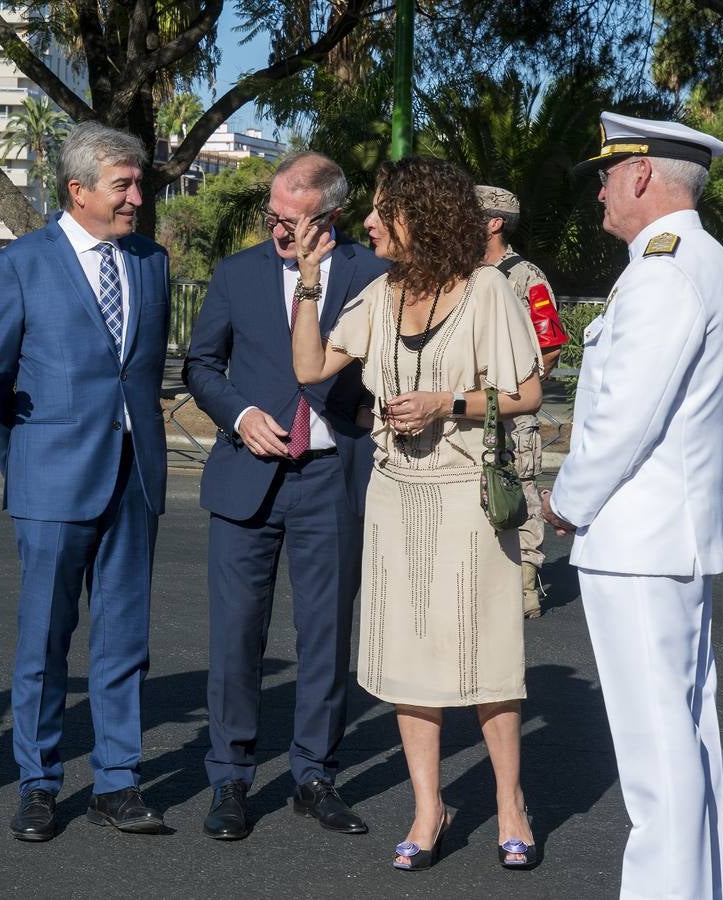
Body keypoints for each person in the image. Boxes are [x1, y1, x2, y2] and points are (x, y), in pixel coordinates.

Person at [291, 156, 543, 872]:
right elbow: (310, 369)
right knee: (408, 660)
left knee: (485, 656)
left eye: (381, 210)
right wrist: (308, 284)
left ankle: (510, 804)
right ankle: (428, 809)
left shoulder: (489, 289)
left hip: (468, 495)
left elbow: (525, 393)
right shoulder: (378, 293)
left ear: (422, 217)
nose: (368, 222)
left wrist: (445, 403)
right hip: (395, 495)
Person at [542, 112, 723, 900]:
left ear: (641, 176)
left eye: (607, 172)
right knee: (686, 736)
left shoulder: (664, 271)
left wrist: (565, 501)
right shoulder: (711, 266)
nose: (600, 188)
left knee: (656, 753)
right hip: (672, 538)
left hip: (637, 540)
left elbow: (625, 416)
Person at [0, 122, 171, 842]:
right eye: (123, 185)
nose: (136, 198)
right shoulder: (18, 264)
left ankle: (118, 780)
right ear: (77, 190)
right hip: (51, 481)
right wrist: (19, 461)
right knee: (44, 641)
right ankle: (39, 781)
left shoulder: (151, 262)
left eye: (138, 184)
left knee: (124, 640)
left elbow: (138, 375)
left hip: (134, 478)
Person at [183, 152, 388, 841]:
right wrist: (240, 415)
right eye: (271, 214)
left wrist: (364, 409)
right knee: (237, 636)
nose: (275, 226)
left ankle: (314, 775)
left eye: (289, 217)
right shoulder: (239, 273)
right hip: (247, 478)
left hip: (333, 479)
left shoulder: (374, 276)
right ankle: (231, 779)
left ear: (328, 217)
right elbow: (201, 364)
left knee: (326, 637)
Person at [476, 185, 570, 618]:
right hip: (471, 405)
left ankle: (525, 585)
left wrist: (525, 386)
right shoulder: (463, 272)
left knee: (523, 492)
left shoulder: (526, 276)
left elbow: (550, 341)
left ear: (494, 223)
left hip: (514, 410)